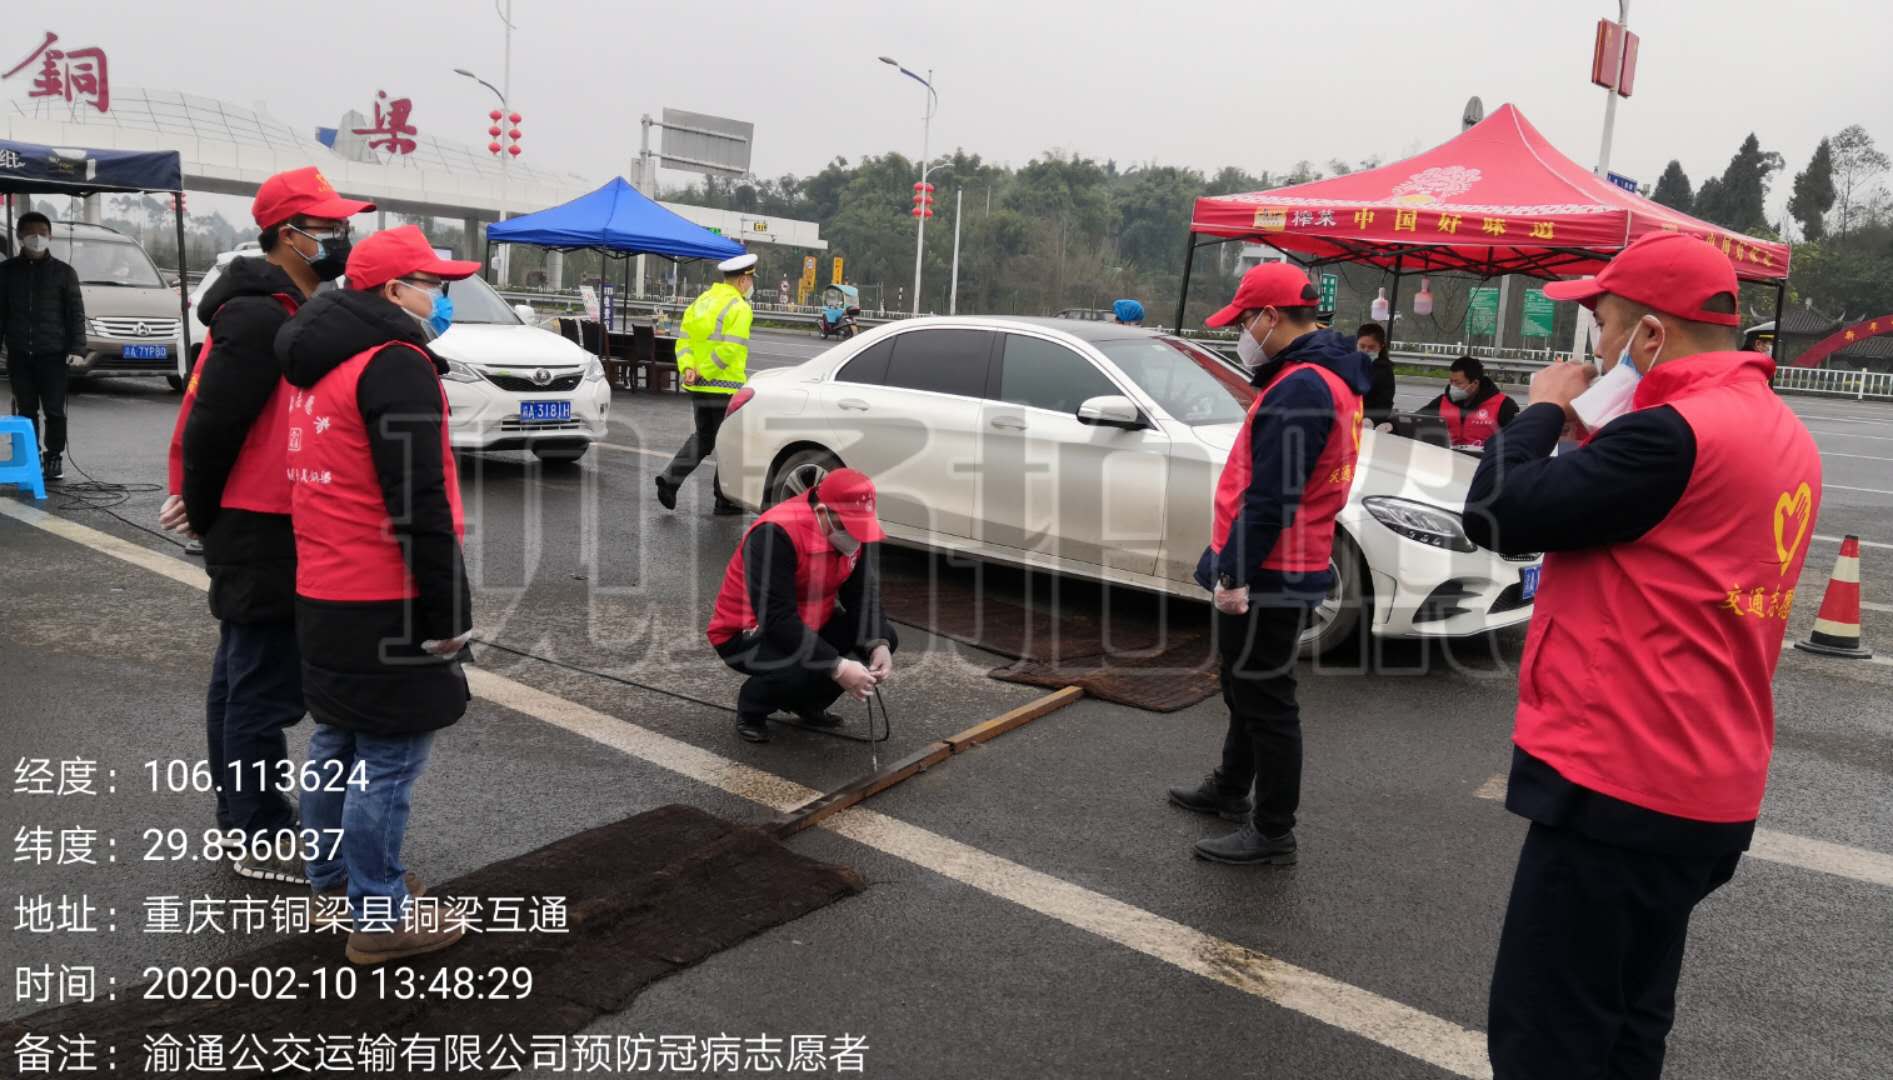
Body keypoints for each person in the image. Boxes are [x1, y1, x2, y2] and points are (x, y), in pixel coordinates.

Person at [1463, 232, 1822, 1078]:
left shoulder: (1671, 435)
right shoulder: (1778, 430)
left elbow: (1498, 509)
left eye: (1601, 325)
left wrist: (1543, 410)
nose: (1592, 348)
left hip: (1618, 782)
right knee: (1627, 1023)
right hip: (1708, 781)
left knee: (1548, 1038)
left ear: (1650, 334)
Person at [157, 167, 375, 883]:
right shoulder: (260, 315)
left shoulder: (286, 304)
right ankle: (257, 832)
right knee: (263, 686)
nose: (341, 236)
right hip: (261, 522)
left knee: (241, 676)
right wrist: (203, 506)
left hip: (266, 516)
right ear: (289, 234)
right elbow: (214, 422)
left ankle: (244, 818)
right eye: (329, 226)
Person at [274, 224, 477, 965]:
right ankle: (381, 914)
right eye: (434, 284)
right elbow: (418, 499)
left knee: (337, 742)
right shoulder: (393, 363)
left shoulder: (318, 362)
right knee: (388, 761)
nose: (441, 298)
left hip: (323, 587)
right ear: (395, 290)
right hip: (385, 594)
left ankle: (332, 882)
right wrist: (448, 612)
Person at [1167, 263, 1370, 865]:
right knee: (1243, 685)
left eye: (1243, 322)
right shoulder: (1328, 375)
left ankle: (1273, 830)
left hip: (1272, 566)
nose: (1242, 334)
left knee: (1266, 699)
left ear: (1270, 317)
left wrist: (1236, 575)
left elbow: (1272, 496)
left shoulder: (1304, 385)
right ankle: (1231, 788)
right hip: (1283, 556)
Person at [706, 467, 897, 743]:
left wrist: (879, 644)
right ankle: (752, 708)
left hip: (809, 620)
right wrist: (838, 666)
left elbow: (862, 595)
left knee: (882, 634)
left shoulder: (852, 531)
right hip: (746, 631)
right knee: (798, 666)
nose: (855, 537)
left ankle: (808, 703)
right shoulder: (774, 534)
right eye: (848, 527)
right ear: (822, 512)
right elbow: (777, 619)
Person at [656, 252, 757, 516]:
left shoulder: (700, 302)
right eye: (750, 280)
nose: (750, 285)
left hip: (698, 386)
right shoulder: (739, 307)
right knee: (729, 441)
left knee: (704, 437)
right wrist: (704, 371)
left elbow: (683, 343)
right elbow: (731, 349)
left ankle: (669, 480)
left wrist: (689, 369)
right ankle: (725, 501)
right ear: (742, 280)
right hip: (725, 387)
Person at [0, 212, 86, 482]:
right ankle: (29, 455)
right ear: (19, 236)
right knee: (25, 410)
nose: (36, 237)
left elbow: (76, 314)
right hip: (19, 353)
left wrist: (77, 349)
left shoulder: (64, 273)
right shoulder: (6, 272)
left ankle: (54, 457)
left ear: (50, 236)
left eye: (42, 232)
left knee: (54, 410)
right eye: (30, 232)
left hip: (54, 354)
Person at [1415, 355, 1519, 448]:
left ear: (1475, 383)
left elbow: (1516, 440)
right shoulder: (1442, 401)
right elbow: (1414, 422)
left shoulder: (1503, 405)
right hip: (1447, 458)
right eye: (1451, 381)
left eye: (1458, 383)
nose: (1453, 386)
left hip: (1482, 460)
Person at [1354, 321, 1397, 425]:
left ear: (1381, 347)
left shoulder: (1384, 370)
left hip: (1367, 422)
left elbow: (1385, 404)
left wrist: (1371, 420)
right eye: (1362, 346)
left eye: (1371, 347)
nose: (1366, 350)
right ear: (1356, 344)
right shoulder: (1347, 363)